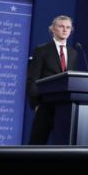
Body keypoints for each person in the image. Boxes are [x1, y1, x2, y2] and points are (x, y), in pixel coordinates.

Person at [26, 15, 78, 145]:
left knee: (63, 146)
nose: (65, 30)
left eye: (68, 27)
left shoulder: (73, 53)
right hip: (45, 106)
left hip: (64, 108)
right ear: (53, 30)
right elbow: (32, 79)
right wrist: (36, 104)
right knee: (37, 144)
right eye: (61, 26)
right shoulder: (42, 50)